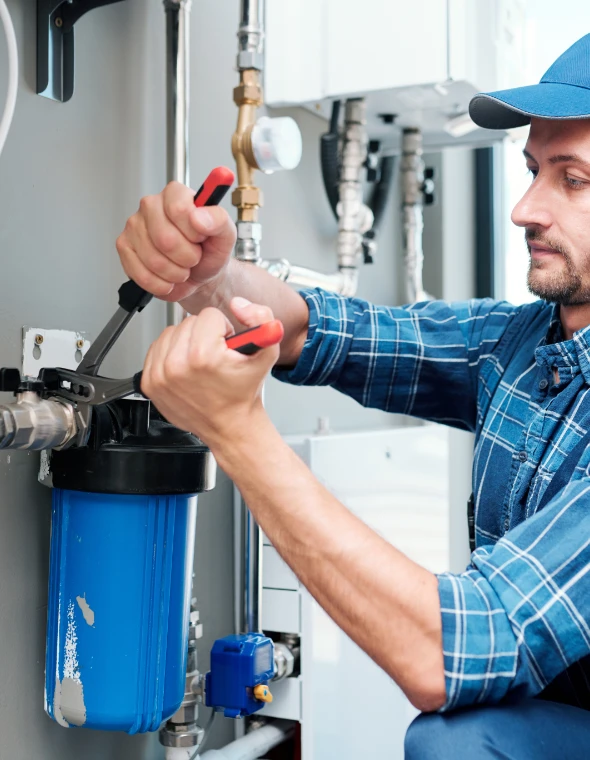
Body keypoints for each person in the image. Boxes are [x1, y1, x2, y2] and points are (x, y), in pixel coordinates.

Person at [116, 35, 590, 759]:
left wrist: (239, 435)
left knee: (458, 742)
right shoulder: (526, 344)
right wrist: (206, 279)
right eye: (532, 171)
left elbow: (455, 652)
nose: (525, 208)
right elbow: (334, 332)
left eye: (573, 180)